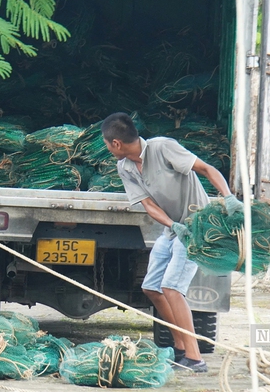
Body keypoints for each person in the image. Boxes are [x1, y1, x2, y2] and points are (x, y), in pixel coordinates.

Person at [101, 112, 243, 373]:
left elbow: (206, 169)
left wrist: (228, 197)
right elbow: (148, 204)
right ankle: (180, 348)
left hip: (199, 226)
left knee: (172, 288)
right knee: (152, 287)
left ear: (116, 143)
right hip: (173, 229)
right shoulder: (126, 167)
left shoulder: (163, 147)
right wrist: (172, 225)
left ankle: (195, 357)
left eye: (107, 144)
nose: (108, 149)